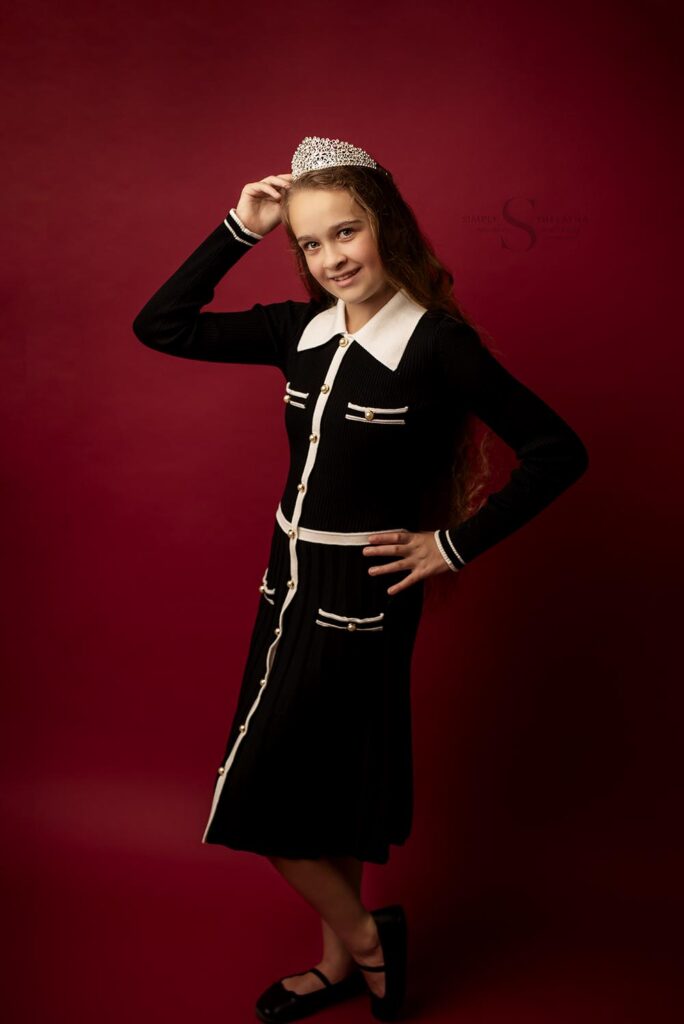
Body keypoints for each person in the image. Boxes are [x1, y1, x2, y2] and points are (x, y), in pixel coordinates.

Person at [132, 136, 589, 1023]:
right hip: (286, 580)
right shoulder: (294, 330)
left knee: (272, 796)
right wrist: (238, 227)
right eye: (310, 243)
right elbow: (162, 326)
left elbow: (558, 450)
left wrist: (451, 546)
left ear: (387, 229)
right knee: (314, 791)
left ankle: (373, 940)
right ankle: (342, 958)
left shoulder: (437, 345)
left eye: (347, 233)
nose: (332, 257)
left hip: (364, 596)